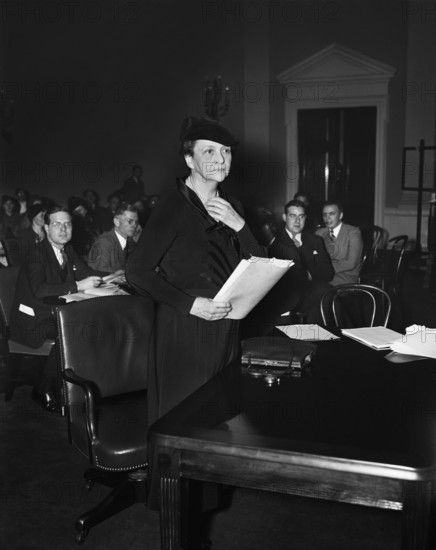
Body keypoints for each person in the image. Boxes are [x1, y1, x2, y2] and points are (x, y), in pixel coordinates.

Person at [126, 115, 265, 424]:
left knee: (220, 416)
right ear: (189, 159)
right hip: (185, 326)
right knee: (184, 420)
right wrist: (192, 305)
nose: (221, 159)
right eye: (209, 152)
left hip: (227, 323)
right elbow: (137, 271)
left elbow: (259, 263)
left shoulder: (234, 206)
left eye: (226, 151)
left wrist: (241, 227)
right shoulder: (172, 206)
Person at [10, 206, 107, 412]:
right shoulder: (36, 254)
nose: (63, 229)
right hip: (33, 319)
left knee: (90, 324)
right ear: (46, 228)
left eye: (67, 224)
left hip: (55, 312)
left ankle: (76, 385)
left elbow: (86, 272)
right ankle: (43, 387)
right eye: (57, 224)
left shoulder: (67, 250)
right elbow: (39, 290)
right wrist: (79, 286)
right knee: (73, 331)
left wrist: (111, 275)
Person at [268, 199, 334, 323]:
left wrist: (307, 274)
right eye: (293, 216)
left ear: (305, 218)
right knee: (322, 294)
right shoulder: (275, 241)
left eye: (301, 216)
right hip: (286, 294)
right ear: (284, 217)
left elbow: (328, 273)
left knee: (325, 292)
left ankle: (322, 335)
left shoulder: (315, 240)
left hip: (310, 290)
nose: (297, 221)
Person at [316, 201, 363, 285]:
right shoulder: (319, 233)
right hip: (322, 277)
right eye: (324, 214)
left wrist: (322, 269)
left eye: (331, 214)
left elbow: (351, 263)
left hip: (345, 278)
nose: (327, 218)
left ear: (340, 215)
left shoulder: (353, 232)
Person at [87, 203, 138, 272]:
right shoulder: (104, 242)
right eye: (130, 221)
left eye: (136, 222)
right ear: (117, 222)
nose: (135, 225)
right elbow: (101, 272)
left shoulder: (129, 241)